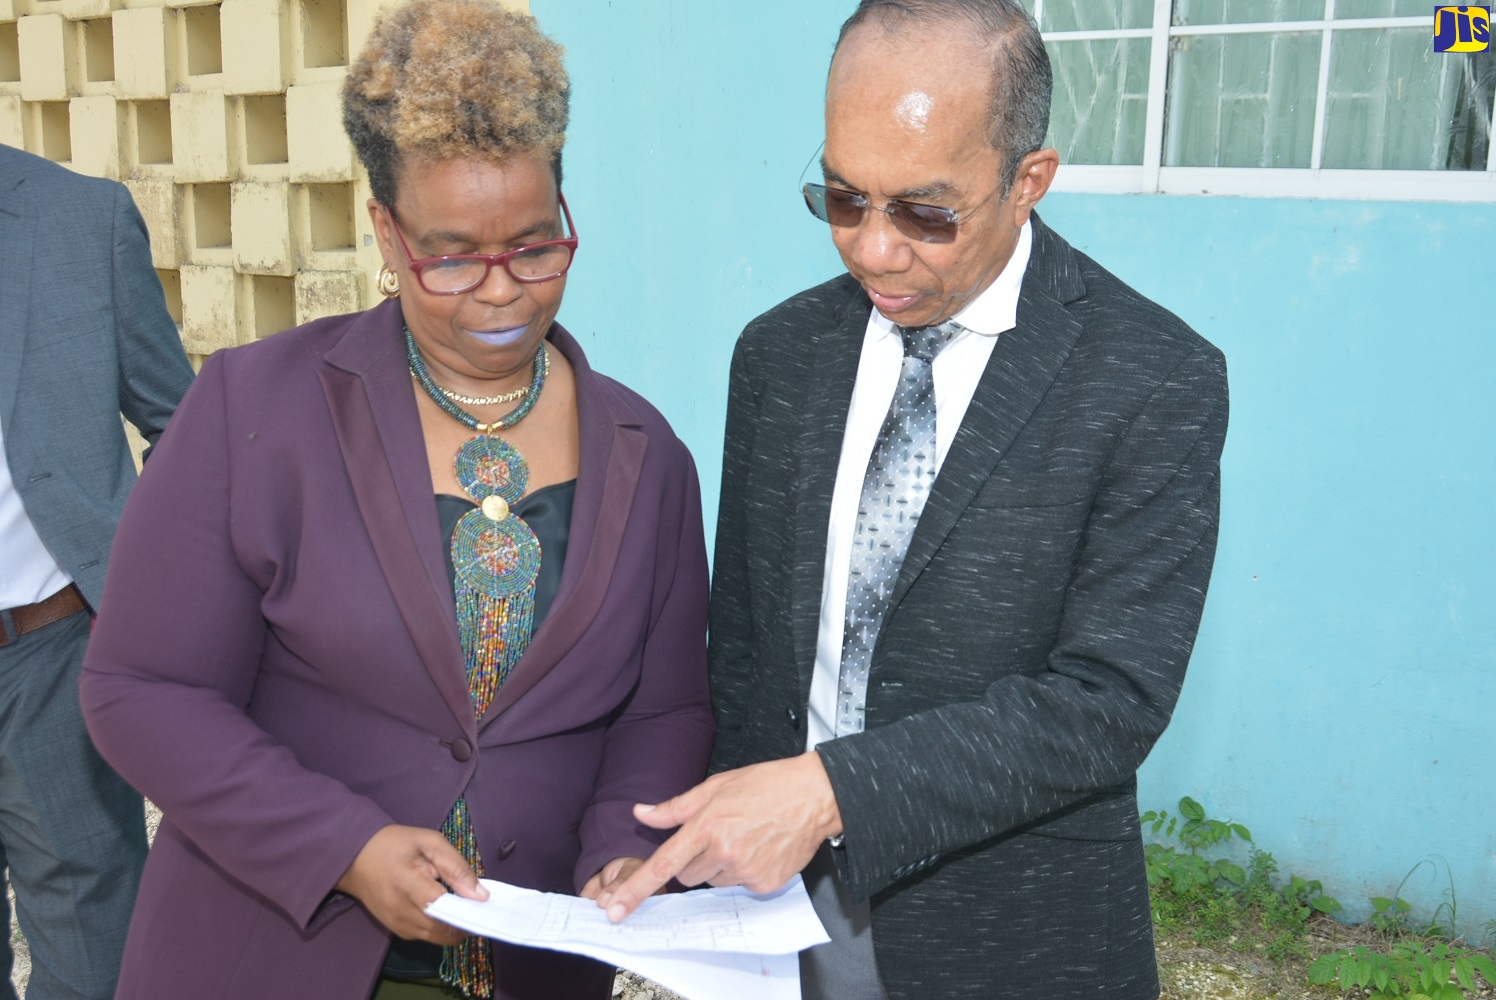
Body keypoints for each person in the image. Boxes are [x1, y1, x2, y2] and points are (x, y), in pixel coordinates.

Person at [77, 3, 714, 998]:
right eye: (452, 255)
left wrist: (614, 855)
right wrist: (345, 845)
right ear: (385, 228)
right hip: (271, 952)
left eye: (536, 247)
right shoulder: (254, 411)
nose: (502, 292)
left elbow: (663, 707)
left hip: (532, 965)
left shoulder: (648, 452)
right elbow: (141, 692)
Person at [596, 2, 1230, 998]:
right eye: (843, 199)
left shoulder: (1151, 378)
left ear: (1028, 182)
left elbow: (1106, 701)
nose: (873, 250)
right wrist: (683, 846)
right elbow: (748, 651)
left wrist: (830, 791)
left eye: (924, 213)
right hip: (783, 922)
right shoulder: (779, 356)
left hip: (1011, 934)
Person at [0, 143, 193, 999]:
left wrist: (149, 606)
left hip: (48, 652)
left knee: (93, 954)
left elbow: (183, 437)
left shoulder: (85, 218)